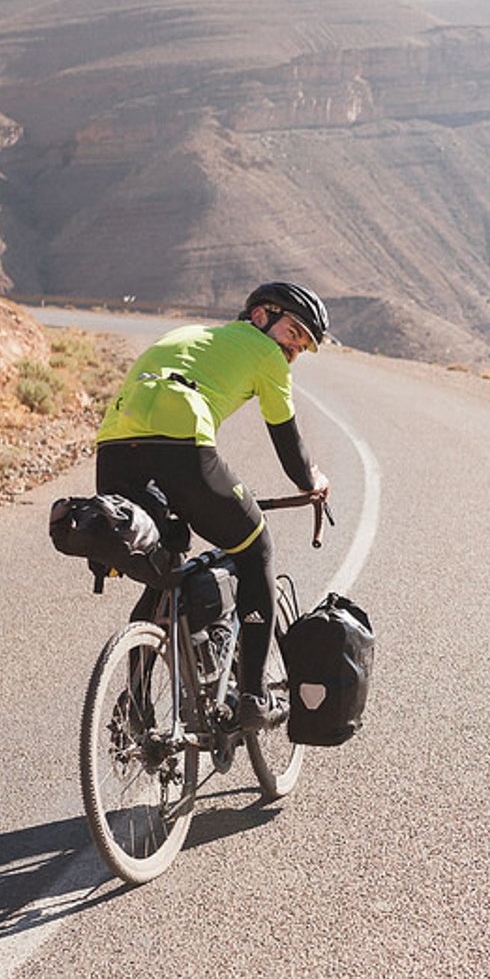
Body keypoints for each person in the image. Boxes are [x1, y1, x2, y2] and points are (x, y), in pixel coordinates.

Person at [95, 280, 332, 730]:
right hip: (182, 442)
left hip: (114, 446)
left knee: (166, 569)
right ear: (261, 316)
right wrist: (314, 481)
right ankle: (253, 697)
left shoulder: (184, 336)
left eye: (302, 346)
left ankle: (136, 706)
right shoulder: (265, 356)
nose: (293, 351)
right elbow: (290, 447)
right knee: (256, 549)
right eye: (293, 334)